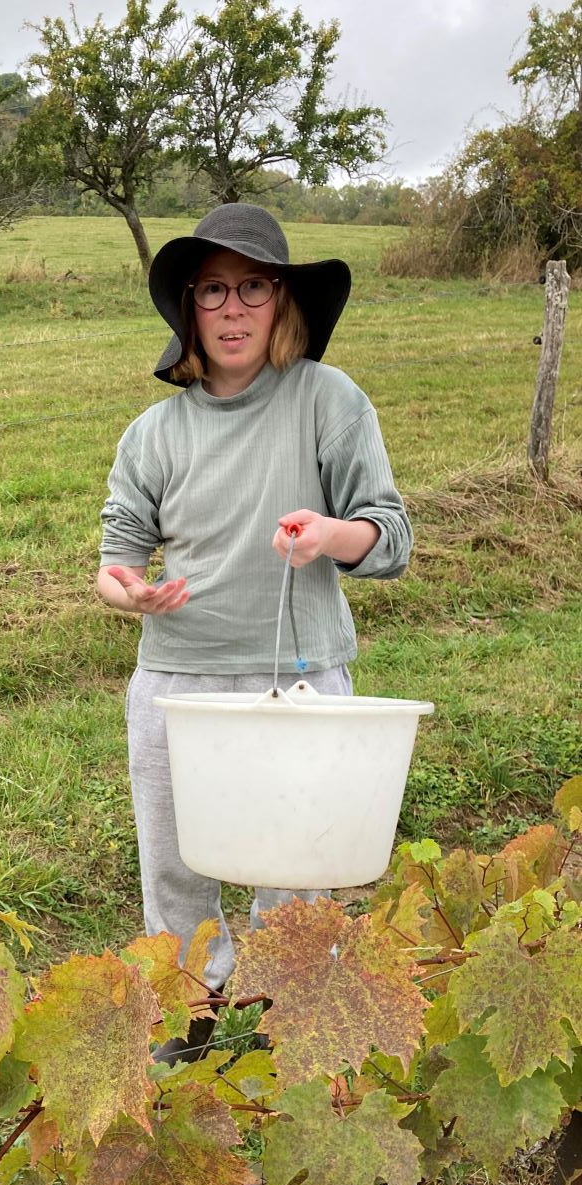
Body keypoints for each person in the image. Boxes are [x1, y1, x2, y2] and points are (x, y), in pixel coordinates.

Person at [98, 203, 412, 996]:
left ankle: (291, 1027)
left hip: (297, 681)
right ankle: (188, 1024)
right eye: (212, 291)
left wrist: (328, 535)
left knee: (295, 873)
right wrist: (131, 592)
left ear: (282, 301)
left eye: (253, 287)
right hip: (176, 686)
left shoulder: (327, 399)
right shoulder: (153, 434)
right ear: (188, 310)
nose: (232, 309)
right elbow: (115, 562)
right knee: (175, 875)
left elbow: (391, 536)